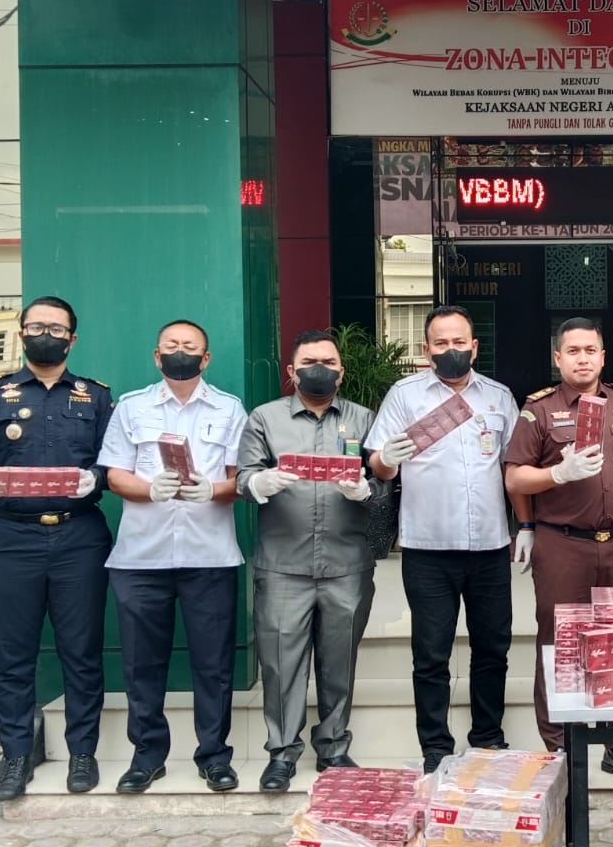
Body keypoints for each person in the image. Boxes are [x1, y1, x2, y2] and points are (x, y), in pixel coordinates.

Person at [0, 296, 114, 801]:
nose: (47, 334)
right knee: (12, 656)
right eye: (37, 326)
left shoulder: (96, 397)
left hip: (78, 535)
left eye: (57, 328)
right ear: (21, 333)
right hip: (11, 538)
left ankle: (82, 754)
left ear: (73, 339)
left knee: (81, 652)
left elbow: (117, 459)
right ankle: (16, 757)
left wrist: (97, 478)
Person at [504, 317, 613, 787]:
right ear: (558, 358)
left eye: (590, 350)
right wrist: (557, 476)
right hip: (563, 543)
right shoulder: (539, 411)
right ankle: (559, 745)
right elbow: (514, 476)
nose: (583, 358)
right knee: (558, 644)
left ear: (603, 356)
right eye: (572, 351)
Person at [98, 319, 245, 794]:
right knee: (142, 665)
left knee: (213, 664)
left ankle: (214, 757)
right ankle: (146, 757)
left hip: (210, 555)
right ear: (157, 356)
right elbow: (114, 474)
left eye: (190, 346)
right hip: (141, 557)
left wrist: (213, 489)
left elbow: (239, 478)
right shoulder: (132, 407)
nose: (181, 352)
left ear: (206, 358)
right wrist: (149, 489)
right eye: (171, 345)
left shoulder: (229, 408)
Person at [367, 305, 515, 774]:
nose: (451, 350)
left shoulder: (499, 397)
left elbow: (515, 468)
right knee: (431, 653)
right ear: (426, 348)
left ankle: (487, 736)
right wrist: (387, 458)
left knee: (492, 648)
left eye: (459, 342)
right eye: (441, 343)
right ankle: (435, 746)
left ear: (475, 346)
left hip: (490, 546)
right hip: (427, 548)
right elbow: (379, 466)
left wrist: (527, 526)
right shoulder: (404, 395)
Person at [237, 329, 377, 792]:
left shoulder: (364, 418)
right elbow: (243, 477)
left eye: (329, 362)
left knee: (339, 662)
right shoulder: (265, 417)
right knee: (281, 664)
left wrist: (367, 490)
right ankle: (282, 753)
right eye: (310, 362)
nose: (320, 369)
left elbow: (384, 483)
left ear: (342, 371)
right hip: (283, 564)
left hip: (346, 563)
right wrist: (260, 483)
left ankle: (333, 747)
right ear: (292, 371)